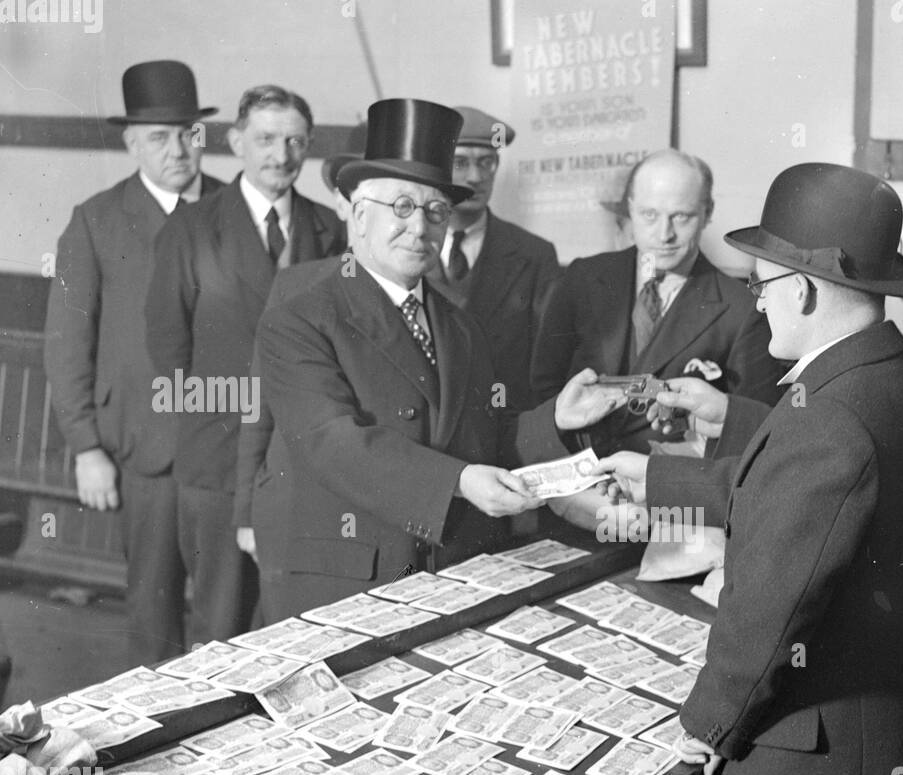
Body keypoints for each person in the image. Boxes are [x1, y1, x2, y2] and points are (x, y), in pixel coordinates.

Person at [598, 163, 903, 775]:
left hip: (813, 763)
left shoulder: (831, 413)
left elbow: (772, 607)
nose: (754, 310)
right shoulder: (882, 375)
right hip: (872, 732)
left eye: (760, 290)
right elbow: (795, 512)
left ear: (803, 287)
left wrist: (704, 727)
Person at [252, 99, 632, 616]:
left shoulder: (459, 325)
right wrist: (456, 481)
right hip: (345, 576)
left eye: (436, 211)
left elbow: (488, 438)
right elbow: (334, 444)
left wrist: (556, 418)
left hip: (443, 571)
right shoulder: (301, 318)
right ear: (359, 216)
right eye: (403, 207)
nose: (421, 226)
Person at [146, 84, 346, 642]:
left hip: (305, 461)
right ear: (235, 142)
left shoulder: (332, 230)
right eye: (265, 139)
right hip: (216, 460)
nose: (280, 155)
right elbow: (168, 355)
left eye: (294, 141)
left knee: (298, 628)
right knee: (221, 625)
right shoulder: (190, 228)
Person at [45, 60, 223, 663]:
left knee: (232, 613)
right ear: (131, 144)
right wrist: (86, 447)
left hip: (231, 446)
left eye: (188, 133)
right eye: (158, 137)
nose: (178, 149)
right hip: (147, 453)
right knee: (155, 615)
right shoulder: (96, 222)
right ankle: (158, 738)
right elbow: (68, 344)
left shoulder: (236, 211)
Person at [531, 149, 785, 453]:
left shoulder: (742, 309)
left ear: (708, 212)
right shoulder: (583, 277)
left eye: (681, 216)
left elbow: (751, 428)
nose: (664, 235)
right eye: (649, 215)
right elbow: (543, 388)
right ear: (630, 210)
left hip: (666, 489)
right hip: (576, 473)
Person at [435, 106, 560, 408]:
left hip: (504, 424)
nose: (475, 177)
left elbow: (548, 363)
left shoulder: (534, 254)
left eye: (486, 163)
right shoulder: (410, 248)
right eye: (461, 163)